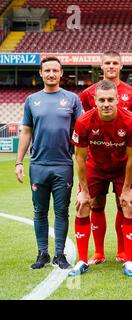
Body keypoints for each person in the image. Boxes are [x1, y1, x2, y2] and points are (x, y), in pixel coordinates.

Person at [15, 56, 83, 269]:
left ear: (62, 73)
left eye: (55, 70)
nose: (51, 74)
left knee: (62, 211)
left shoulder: (72, 99)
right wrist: (19, 162)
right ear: (41, 73)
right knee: (39, 211)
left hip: (63, 165)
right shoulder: (31, 100)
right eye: (47, 70)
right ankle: (42, 253)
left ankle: (59, 255)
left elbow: (81, 131)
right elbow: (26, 132)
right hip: (38, 165)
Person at [69, 80, 132, 277]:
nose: (106, 104)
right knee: (84, 204)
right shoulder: (84, 121)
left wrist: (127, 189)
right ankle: (83, 260)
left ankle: (128, 260)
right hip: (95, 167)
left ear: (118, 100)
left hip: (121, 167)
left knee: (128, 204)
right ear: (94, 101)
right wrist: (83, 191)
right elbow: (80, 158)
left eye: (110, 99)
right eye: (102, 100)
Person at [78, 51, 132, 265]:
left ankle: (123, 252)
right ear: (100, 66)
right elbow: (89, 124)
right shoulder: (86, 94)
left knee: (124, 203)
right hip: (96, 160)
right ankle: (98, 252)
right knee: (95, 204)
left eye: (115, 63)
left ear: (121, 66)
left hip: (122, 160)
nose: (111, 66)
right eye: (107, 63)